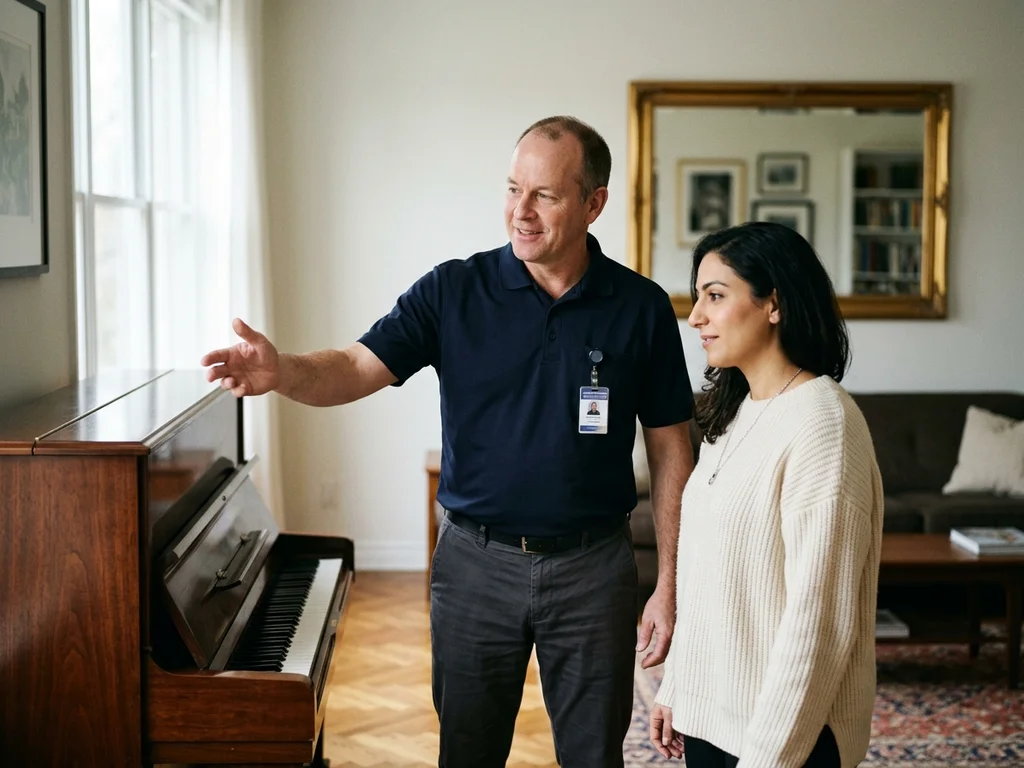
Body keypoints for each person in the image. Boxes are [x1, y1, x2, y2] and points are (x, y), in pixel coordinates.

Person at [202, 116, 696, 768]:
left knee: (593, 757)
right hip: (474, 566)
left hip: (592, 570)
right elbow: (354, 367)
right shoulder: (453, 290)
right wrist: (281, 371)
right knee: (467, 753)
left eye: (544, 195)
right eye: (513, 188)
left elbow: (670, 449)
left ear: (593, 203)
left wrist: (669, 584)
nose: (520, 211)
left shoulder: (640, 308)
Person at [649, 221, 884, 768]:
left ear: (772, 303)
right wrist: (678, 686)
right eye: (697, 297)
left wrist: (770, 755)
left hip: (782, 740)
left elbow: (819, 621)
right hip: (714, 724)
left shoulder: (823, 421)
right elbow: (704, 572)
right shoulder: (734, 414)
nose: (696, 317)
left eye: (715, 296)